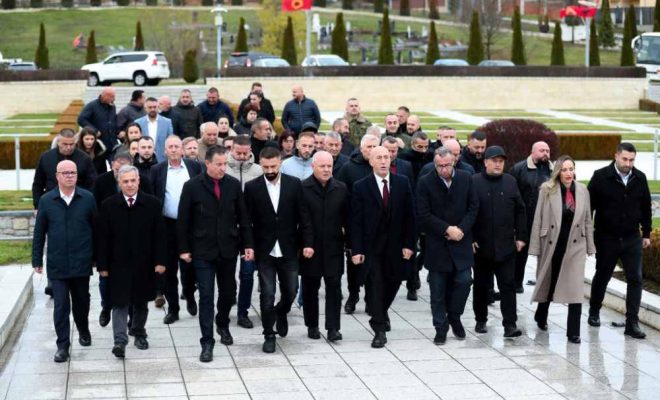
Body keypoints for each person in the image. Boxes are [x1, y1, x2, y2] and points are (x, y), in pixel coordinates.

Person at [177, 145, 254, 362]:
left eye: (225, 164)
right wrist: (183, 249)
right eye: (218, 164)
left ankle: (222, 323)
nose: (223, 168)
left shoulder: (233, 185)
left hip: (228, 248)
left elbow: (243, 218)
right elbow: (183, 221)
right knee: (206, 296)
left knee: (229, 293)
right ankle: (207, 342)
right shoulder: (192, 186)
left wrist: (248, 245)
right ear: (207, 163)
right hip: (202, 250)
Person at [244, 147, 313, 353]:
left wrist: (308, 243)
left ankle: (281, 312)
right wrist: (248, 246)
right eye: (265, 167)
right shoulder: (252, 187)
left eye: (273, 166)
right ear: (260, 164)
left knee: (291, 291)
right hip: (264, 250)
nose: (269, 170)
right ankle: (269, 334)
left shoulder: (294, 184)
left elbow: (304, 216)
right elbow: (246, 222)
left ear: (280, 163)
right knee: (267, 293)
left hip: (289, 248)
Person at [97, 165, 167, 358]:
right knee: (119, 302)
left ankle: (138, 331)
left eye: (132, 180)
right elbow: (103, 238)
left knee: (140, 301)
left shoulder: (152, 204)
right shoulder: (108, 205)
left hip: (145, 262)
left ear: (139, 181)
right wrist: (102, 266)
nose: (129, 184)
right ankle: (119, 342)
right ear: (119, 183)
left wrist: (160, 261)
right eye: (125, 181)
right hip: (117, 264)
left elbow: (160, 235)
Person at [350, 146, 416, 348]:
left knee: (393, 283)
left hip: (396, 247)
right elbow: (356, 221)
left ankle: (382, 311)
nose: (383, 161)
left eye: (386, 157)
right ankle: (378, 328)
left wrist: (409, 244)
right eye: (378, 157)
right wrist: (356, 249)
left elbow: (410, 216)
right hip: (372, 248)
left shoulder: (402, 182)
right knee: (376, 286)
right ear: (371, 161)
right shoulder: (361, 186)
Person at [32, 160, 96, 363]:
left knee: (81, 301)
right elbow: (39, 232)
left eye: (73, 172)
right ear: (57, 176)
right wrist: (36, 259)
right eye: (65, 173)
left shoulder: (87, 198)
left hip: (81, 261)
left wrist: (98, 259)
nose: (69, 176)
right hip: (57, 262)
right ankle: (62, 346)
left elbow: (97, 230)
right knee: (61, 306)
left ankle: (83, 328)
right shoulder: (46, 200)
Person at [587, 143, 652, 339]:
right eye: (624, 159)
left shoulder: (640, 178)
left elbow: (646, 207)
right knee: (602, 276)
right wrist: (588, 236)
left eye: (631, 160)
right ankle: (594, 311)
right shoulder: (600, 177)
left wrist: (646, 233)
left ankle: (632, 323)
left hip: (632, 238)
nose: (628, 164)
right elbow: (588, 208)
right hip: (607, 238)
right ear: (616, 156)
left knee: (636, 279)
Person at [528, 156, 595, 344]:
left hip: (575, 245)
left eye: (571, 169)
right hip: (552, 243)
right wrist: (535, 246)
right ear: (558, 172)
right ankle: (541, 313)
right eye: (564, 170)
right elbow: (538, 218)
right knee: (550, 282)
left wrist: (590, 245)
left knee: (575, 288)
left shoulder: (582, 190)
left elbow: (587, 220)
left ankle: (573, 332)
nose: (568, 173)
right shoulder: (547, 190)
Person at [416, 147, 478, 345]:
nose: (444, 169)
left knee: (464, 281)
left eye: (447, 165)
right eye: (440, 166)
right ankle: (440, 327)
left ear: (454, 162)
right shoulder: (425, 182)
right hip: (437, 244)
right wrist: (446, 229)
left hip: (461, 241)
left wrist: (461, 229)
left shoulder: (466, 178)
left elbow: (473, 208)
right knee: (437, 291)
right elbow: (423, 214)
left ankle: (454, 315)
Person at [471, 146, 527, 337]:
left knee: (508, 286)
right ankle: (480, 320)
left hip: (506, 246)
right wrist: (470, 238)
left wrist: (521, 237)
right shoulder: (474, 182)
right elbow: (467, 212)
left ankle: (510, 325)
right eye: (494, 161)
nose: (498, 164)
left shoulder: (510, 182)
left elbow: (520, 210)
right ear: (485, 162)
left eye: (501, 161)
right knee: (481, 286)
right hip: (481, 246)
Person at [150, 136, 203, 325]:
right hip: (167, 225)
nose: (173, 149)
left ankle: (189, 293)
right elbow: (153, 197)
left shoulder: (194, 167)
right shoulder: (157, 170)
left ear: (182, 149)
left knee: (190, 267)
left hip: (190, 226)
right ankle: (173, 309)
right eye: (170, 147)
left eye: (176, 146)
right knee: (169, 270)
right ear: (164, 151)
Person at [300, 151, 350, 342]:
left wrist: (350, 244)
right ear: (313, 166)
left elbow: (348, 218)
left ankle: (333, 327)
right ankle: (312, 325)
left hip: (334, 247)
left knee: (334, 288)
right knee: (310, 288)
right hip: (310, 248)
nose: (326, 169)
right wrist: (305, 244)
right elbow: (301, 219)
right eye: (322, 166)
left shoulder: (341, 188)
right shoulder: (303, 188)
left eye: (329, 166)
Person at [336, 134, 380, 314]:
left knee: (373, 265)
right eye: (369, 147)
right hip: (354, 225)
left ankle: (370, 299)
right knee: (354, 263)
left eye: (375, 147)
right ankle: (353, 295)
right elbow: (340, 196)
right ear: (361, 149)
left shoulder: (382, 168)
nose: (372, 150)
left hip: (376, 226)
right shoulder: (348, 168)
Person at [226, 135, 263, 329]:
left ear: (250, 151)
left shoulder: (258, 171)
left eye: (245, 153)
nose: (241, 156)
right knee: (226, 273)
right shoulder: (223, 168)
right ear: (231, 150)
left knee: (247, 273)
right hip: (228, 229)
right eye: (237, 153)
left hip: (251, 230)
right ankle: (227, 302)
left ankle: (243, 312)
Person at [510, 141, 553, 292]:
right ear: (532, 152)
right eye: (542, 150)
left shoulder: (554, 170)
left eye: (547, 150)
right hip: (524, 219)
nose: (545, 153)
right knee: (520, 253)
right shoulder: (518, 169)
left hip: (546, 220)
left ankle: (545, 284)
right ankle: (516, 284)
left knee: (546, 253)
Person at [32, 128, 97, 211]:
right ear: (58, 142)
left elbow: (92, 184)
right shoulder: (46, 158)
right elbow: (38, 184)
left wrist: (86, 204)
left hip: (78, 204)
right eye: (65, 144)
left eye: (71, 144)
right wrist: (37, 206)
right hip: (51, 203)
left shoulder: (84, 159)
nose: (69, 147)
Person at [134, 97, 174, 162]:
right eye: (150, 107)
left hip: (162, 159)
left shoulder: (167, 122)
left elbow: (171, 140)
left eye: (154, 107)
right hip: (143, 159)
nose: (152, 109)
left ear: (158, 107)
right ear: (145, 108)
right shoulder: (138, 122)